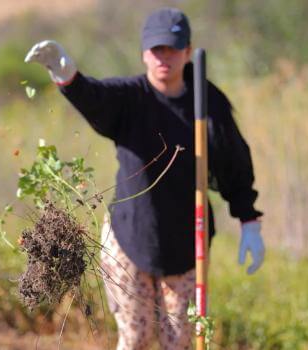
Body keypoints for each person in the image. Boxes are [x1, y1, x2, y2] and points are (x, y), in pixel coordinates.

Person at [25, 7, 265, 350]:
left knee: (179, 340)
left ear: (187, 49)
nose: (164, 57)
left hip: (186, 246)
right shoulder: (130, 97)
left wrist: (249, 220)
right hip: (130, 237)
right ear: (144, 53)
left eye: (172, 48)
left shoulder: (207, 101)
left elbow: (234, 162)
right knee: (136, 338)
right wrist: (68, 78)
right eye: (157, 49)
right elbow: (95, 97)